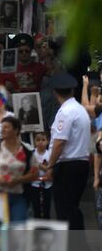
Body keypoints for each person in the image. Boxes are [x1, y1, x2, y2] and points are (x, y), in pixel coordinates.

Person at [43, 72, 91, 232]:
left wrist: (50, 166)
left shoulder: (66, 112)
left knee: (65, 210)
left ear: (55, 92)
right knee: (73, 209)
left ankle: (73, 250)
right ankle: (79, 249)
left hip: (68, 166)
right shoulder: (81, 110)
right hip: (81, 163)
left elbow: (59, 143)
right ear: (71, 91)